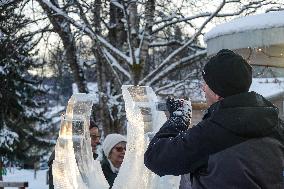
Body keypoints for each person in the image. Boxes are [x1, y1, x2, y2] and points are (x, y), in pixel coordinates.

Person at [144, 49, 284, 189]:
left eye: (206, 84)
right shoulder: (277, 126)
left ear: (217, 93)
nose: (203, 89)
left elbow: (156, 158)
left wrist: (178, 118)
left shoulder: (212, 133)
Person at [48, 120, 101, 189]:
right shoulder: (62, 163)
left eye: (98, 137)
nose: (97, 141)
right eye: (93, 137)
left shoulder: (88, 162)